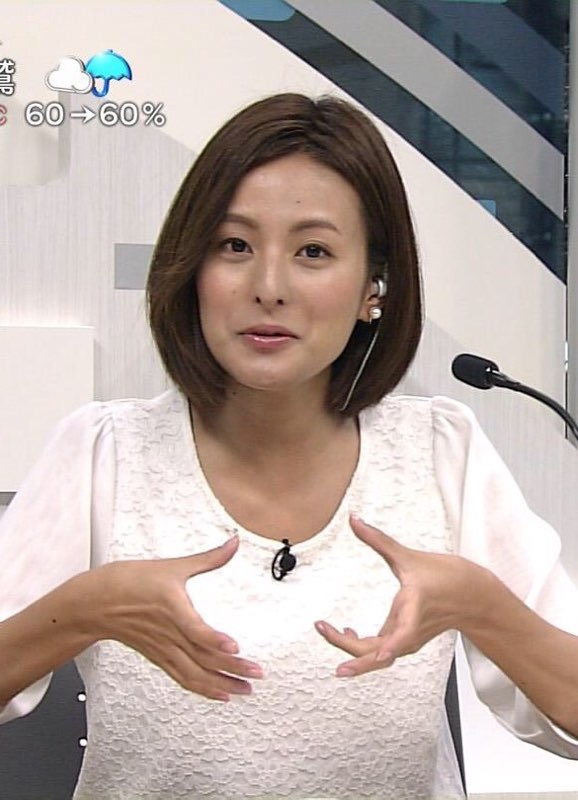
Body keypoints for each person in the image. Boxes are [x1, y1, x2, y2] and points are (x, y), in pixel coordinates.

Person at [1, 92, 578, 800]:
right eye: (234, 246)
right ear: (191, 270)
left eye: (313, 251)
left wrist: (480, 603)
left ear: (373, 288)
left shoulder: (440, 451)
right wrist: (85, 609)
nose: (268, 287)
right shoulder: (104, 452)